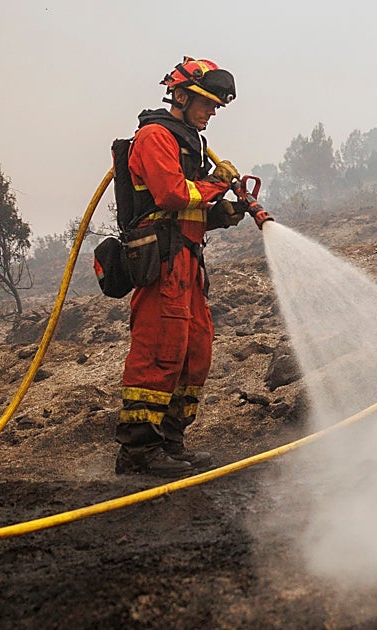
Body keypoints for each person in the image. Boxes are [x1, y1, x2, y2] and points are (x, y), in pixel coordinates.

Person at [114, 57, 248, 476]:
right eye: (207, 104)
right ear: (183, 95)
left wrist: (222, 213)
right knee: (160, 349)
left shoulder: (190, 142)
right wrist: (218, 184)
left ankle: (170, 442)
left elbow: (189, 209)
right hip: (162, 262)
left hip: (188, 261)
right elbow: (172, 195)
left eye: (216, 107)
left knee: (194, 350)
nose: (211, 113)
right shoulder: (155, 135)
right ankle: (138, 451)